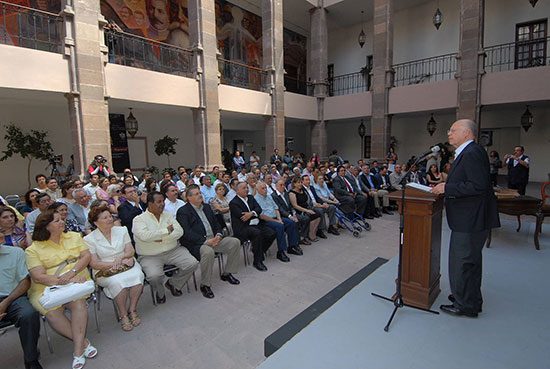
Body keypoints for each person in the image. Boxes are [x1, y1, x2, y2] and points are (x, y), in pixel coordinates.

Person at [432, 119, 500, 318]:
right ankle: (468, 299)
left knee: (462, 261)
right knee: (469, 262)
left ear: (467, 133)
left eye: (453, 130)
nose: (449, 134)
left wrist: (447, 187)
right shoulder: (470, 153)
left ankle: (464, 304)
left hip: (470, 219)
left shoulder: (472, 153)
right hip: (469, 217)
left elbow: (477, 186)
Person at [25, 211, 97, 369]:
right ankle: (84, 343)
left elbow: (85, 257)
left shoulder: (74, 236)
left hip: (78, 279)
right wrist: (67, 280)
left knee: (78, 303)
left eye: (62, 219)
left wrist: (72, 273)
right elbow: (38, 276)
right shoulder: (33, 249)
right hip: (46, 288)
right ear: (46, 226)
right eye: (57, 220)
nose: (62, 222)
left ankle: (78, 351)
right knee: (52, 313)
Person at [84, 206, 144, 331]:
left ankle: (132, 309)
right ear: (95, 222)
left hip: (126, 262)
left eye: (110, 216)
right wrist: (113, 264)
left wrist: (122, 258)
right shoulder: (89, 239)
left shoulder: (121, 230)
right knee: (118, 283)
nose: (109, 219)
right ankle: (123, 315)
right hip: (104, 269)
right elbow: (94, 263)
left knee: (137, 276)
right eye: (105, 218)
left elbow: (130, 250)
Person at [132, 192, 198, 304]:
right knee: (154, 276)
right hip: (150, 255)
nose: (162, 204)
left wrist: (162, 238)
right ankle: (160, 291)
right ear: (150, 204)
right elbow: (144, 236)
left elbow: (179, 231)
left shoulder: (167, 215)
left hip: (173, 250)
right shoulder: (139, 219)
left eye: (163, 201)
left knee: (192, 263)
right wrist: (166, 231)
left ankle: (173, 283)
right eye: (159, 202)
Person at [177, 185, 241, 299]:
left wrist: (219, 235)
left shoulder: (206, 207)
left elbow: (216, 223)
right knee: (208, 252)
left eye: (200, 193)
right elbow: (186, 232)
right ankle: (205, 285)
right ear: (189, 197)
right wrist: (205, 241)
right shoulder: (183, 211)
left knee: (234, 242)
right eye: (196, 194)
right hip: (199, 244)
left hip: (214, 239)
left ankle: (227, 273)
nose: (200, 195)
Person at [0, 233, 43, 369]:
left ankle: (31, 361)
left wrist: (5, 303)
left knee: (28, 314)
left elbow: (25, 282)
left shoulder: (15, 253)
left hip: (12, 297)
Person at [229, 182, 276, 272]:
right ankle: (258, 261)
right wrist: (254, 213)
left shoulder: (250, 198)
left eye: (247, 187)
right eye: (244, 188)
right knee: (257, 233)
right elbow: (243, 217)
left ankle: (259, 251)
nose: (247, 189)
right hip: (242, 228)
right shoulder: (234, 203)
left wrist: (251, 213)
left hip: (256, 223)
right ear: (237, 190)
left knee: (272, 233)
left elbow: (259, 209)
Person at [255, 182, 300, 262]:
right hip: (266, 220)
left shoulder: (269, 197)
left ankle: (292, 246)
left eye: (265, 188)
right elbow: (261, 216)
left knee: (291, 222)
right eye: (263, 188)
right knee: (280, 226)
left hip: (276, 218)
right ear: (257, 189)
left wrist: (279, 219)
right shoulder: (256, 199)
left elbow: (276, 208)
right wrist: (276, 221)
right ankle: (281, 251)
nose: (265, 190)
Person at [289, 177, 321, 243]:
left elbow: (308, 201)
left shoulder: (303, 191)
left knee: (317, 215)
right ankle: (302, 236)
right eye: (298, 183)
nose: (300, 184)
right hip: (298, 212)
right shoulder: (292, 193)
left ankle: (311, 233)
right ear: (294, 184)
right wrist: (307, 211)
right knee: (307, 218)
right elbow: (295, 206)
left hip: (306, 209)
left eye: (301, 182)